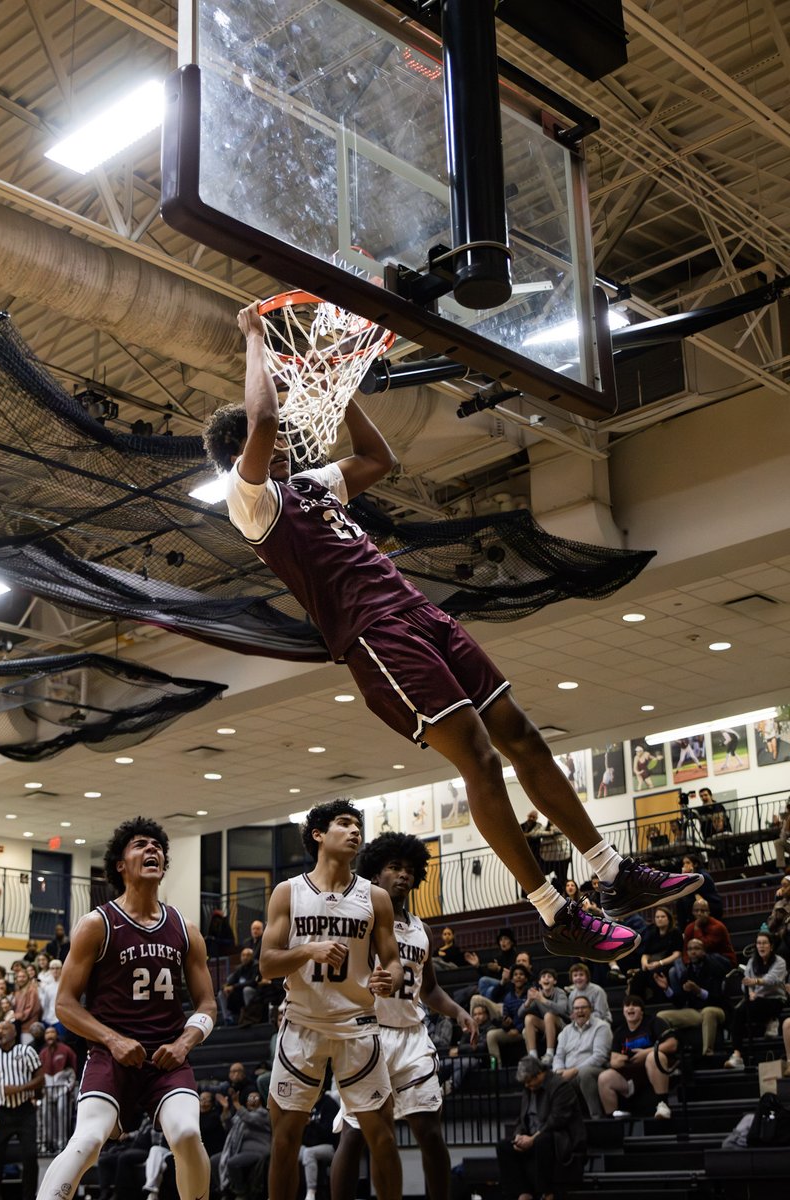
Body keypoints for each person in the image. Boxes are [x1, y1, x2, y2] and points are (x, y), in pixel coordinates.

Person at [207, 301, 703, 962]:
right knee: (480, 757)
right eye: (259, 448)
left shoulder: (310, 488)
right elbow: (264, 418)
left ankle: (613, 871)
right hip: (375, 637)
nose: (273, 449)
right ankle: (555, 912)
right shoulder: (253, 503)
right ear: (240, 458)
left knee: (521, 734)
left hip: (420, 612)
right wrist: (258, 342)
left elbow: (376, 457)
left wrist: (337, 382)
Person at [36, 817, 217, 1200]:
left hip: (167, 1058)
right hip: (112, 1057)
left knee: (186, 1134)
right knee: (86, 1142)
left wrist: (185, 1043)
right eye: (140, 844)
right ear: (120, 864)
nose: (152, 850)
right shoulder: (97, 924)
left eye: (157, 846)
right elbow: (66, 1004)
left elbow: (207, 1004)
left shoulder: (186, 929)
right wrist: (113, 1040)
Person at [258, 799, 403, 1200]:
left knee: (384, 1138)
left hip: (357, 1024)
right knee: (285, 1140)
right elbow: (267, 965)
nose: (355, 831)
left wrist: (388, 978)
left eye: (358, 825)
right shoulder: (288, 892)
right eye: (344, 823)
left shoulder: (375, 897)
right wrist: (308, 951)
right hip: (302, 1024)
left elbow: (393, 962)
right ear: (318, 834)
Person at [329, 831, 476, 1200]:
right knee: (357, 1133)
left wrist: (459, 1012)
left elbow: (429, 991)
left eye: (409, 869)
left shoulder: (423, 930)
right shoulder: (358, 923)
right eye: (394, 867)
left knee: (428, 1130)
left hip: (412, 1038)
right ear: (375, 876)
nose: (404, 875)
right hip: (368, 1035)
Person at [495, 1056, 586, 1200]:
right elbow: (521, 1119)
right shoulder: (529, 1088)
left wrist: (533, 1138)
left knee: (543, 1140)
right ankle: (523, 1193)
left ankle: (547, 1192)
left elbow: (557, 1120)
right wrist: (519, 1135)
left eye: (529, 1081)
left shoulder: (560, 1086)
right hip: (532, 1136)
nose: (527, 1085)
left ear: (539, 1074)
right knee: (503, 1147)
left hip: (558, 1137)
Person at [597, 995, 676, 1120]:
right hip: (632, 1076)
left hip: (657, 1068)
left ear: (642, 1011)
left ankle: (662, 1104)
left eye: (634, 1005)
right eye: (627, 1006)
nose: (630, 1008)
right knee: (604, 1077)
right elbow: (614, 1061)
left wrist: (646, 1053)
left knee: (653, 1056)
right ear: (623, 1011)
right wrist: (627, 1059)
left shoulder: (654, 1022)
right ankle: (612, 1119)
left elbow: (672, 1044)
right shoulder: (620, 1032)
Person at [0, 1019, 44, 1200]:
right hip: (0, 1112)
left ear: (14, 1033)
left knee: (30, 1156)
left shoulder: (27, 1051)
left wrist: (19, 1088)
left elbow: (41, 1079)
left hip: (24, 1111)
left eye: (4, 1028)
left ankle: (29, 1197)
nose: (0, 1032)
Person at [723, 932, 787, 1070]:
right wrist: (750, 991)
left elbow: (773, 980)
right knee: (738, 1012)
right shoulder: (752, 961)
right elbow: (745, 982)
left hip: (775, 998)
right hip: (755, 998)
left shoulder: (779, 961)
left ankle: (772, 1019)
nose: (761, 946)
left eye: (764, 943)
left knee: (753, 1007)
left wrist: (756, 982)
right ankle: (737, 1055)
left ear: (771, 946)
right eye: (759, 943)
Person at [653, 939, 728, 1056]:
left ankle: (708, 1054)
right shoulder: (686, 972)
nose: (693, 952)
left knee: (708, 1012)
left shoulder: (714, 968)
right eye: (690, 949)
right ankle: (672, 1052)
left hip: (717, 1009)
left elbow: (719, 999)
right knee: (661, 1016)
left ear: (704, 951)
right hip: (695, 1012)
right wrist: (666, 988)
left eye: (697, 949)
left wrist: (698, 991)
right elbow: (680, 1003)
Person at [552, 996, 612, 1119]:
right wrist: (559, 1071)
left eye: (583, 1007)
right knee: (545, 1077)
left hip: (595, 1070)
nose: (580, 1011)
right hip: (567, 1072)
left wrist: (574, 1071)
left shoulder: (601, 1027)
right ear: (572, 1012)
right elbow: (558, 1056)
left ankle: (596, 1117)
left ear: (590, 1009)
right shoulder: (566, 1031)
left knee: (584, 1074)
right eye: (576, 1008)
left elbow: (600, 1056)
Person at [626, 906, 683, 1003]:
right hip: (652, 964)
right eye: (657, 917)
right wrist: (644, 963)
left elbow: (677, 954)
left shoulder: (675, 932)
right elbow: (646, 953)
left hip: (667, 963)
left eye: (662, 917)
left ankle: (659, 1001)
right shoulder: (652, 932)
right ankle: (636, 1002)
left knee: (656, 973)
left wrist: (660, 963)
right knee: (638, 976)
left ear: (669, 919)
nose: (660, 919)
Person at [520, 968, 570, 1067]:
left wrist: (543, 1000)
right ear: (539, 982)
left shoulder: (559, 992)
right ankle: (533, 1056)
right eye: (543, 977)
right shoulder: (538, 995)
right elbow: (520, 1014)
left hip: (562, 1026)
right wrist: (528, 1001)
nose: (546, 979)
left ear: (554, 981)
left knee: (548, 1015)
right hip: (548, 1026)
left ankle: (550, 1053)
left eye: (549, 977)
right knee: (528, 1018)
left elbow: (562, 1010)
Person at [39, 1025, 78, 1152]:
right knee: (46, 1115)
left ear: (57, 1035)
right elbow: (39, 1073)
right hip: (47, 1087)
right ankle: (49, 1143)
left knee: (62, 1114)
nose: (49, 1035)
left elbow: (73, 1069)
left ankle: (62, 1144)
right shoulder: (43, 1053)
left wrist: (69, 1087)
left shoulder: (66, 1050)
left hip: (62, 1088)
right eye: (47, 1033)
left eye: (52, 1033)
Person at [299, 1087, 339, 1200]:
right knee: (292, 1153)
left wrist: (312, 1123)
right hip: (310, 1145)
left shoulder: (329, 1104)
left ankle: (311, 1192)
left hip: (330, 1146)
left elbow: (330, 1132)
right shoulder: (308, 1105)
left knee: (308, 1153)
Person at [681, 897, 736, 969]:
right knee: (676, 966)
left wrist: (697, 928)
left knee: (705, 958)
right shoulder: (689, 928)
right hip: (698, 958)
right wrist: (687, 962)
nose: (699, 913)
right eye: (696, 911)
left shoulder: (717, 926)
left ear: (709, 912)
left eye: (703, 911)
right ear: (692, 912)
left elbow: (705, 947)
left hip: (723, 958)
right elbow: (685, 950)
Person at [675, 856, 724, 928]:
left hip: (712, 905)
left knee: (687, 902)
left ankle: (686, 927)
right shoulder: (692, 875)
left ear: (695, 864)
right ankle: (683, 929)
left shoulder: (702, 875)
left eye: (688, 862)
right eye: (684, 863)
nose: (685, 865)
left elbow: (690, 891)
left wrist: (686, 875)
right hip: (701, 902)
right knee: (680, 902)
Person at [217, 948, 259, 1026]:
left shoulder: (256, 965)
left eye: (248, 955)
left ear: (252, 956)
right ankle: (228, 1018)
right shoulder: (240, 968)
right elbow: (231, 981)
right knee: (221, 993)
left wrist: (234, 987)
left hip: (254, 991)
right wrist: (226, 988)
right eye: (243, 955)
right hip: (238, 992)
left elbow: (253, 982)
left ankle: (248, 1017)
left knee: (247, 990)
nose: (245, 957)